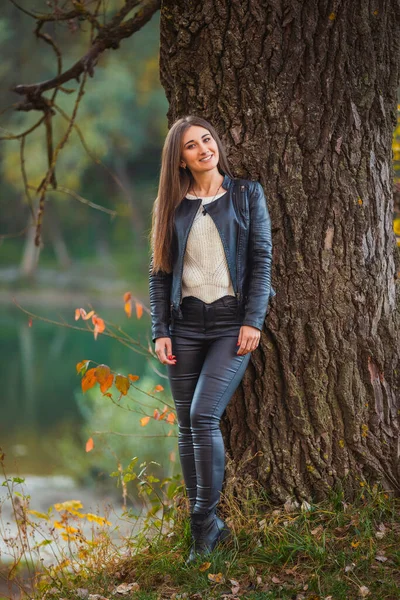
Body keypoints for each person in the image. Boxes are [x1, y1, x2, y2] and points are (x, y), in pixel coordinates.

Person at [148, 115, 275, 564]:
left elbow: (261, 260)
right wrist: (159, 330)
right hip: (184, 327)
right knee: (186, 428)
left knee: (203, 416)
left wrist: (253, 320)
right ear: (179, 159)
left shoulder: (245, 194)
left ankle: (204, 523)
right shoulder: (172, 204)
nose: (204, 149)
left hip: (229, 325)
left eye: (207, 140)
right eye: (191, 146)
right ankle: (203, 529)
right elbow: (160, 272)